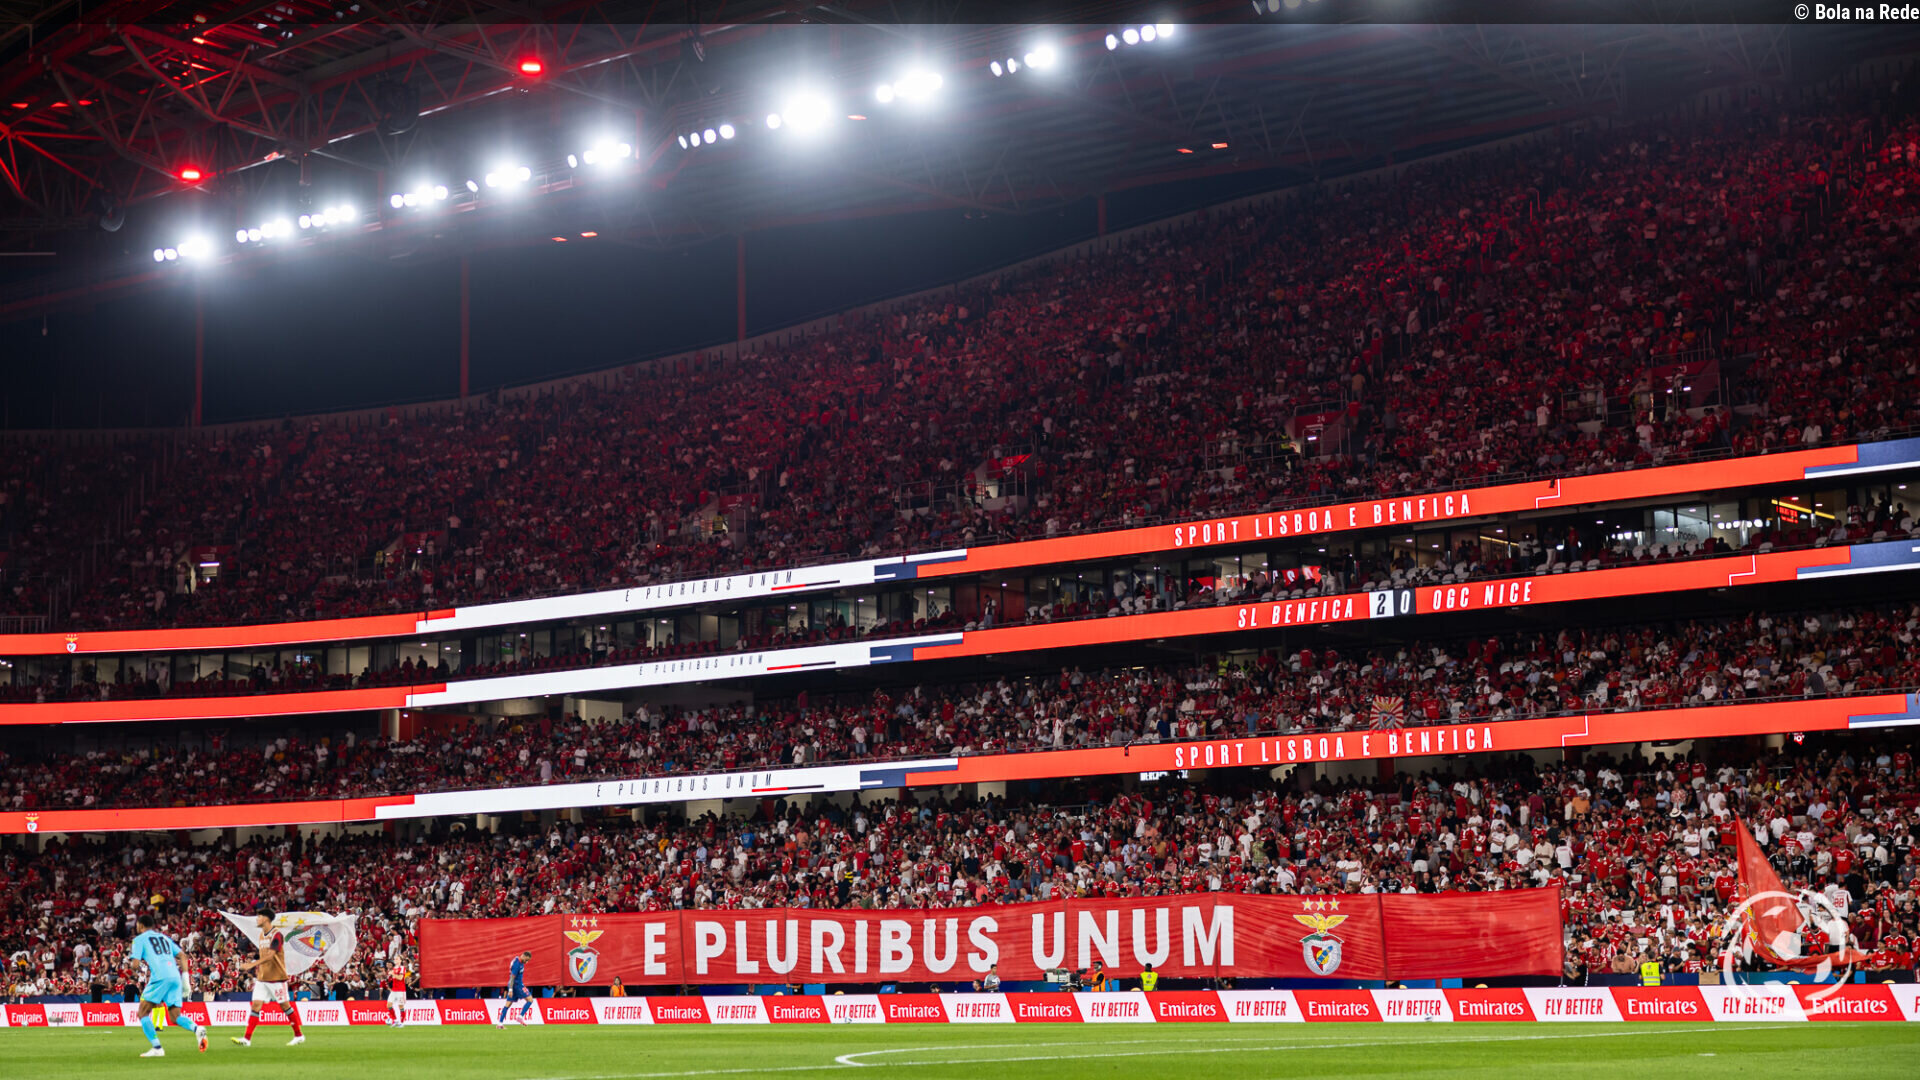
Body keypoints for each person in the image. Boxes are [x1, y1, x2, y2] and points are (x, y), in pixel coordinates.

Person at [128, 913, 207, 1058]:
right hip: (175, 976)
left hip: (159, 976)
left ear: (140, 925)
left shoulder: (139, 940)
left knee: (143, 1013)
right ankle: (197, 1029)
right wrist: (185, 978)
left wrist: (135, 963)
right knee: (175, 1016)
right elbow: (183, 955)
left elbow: (135, 964)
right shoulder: (164, 938)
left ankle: (157, 1048)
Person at [231, 908, 305, 1047]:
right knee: (256, 1006)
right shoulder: (261, 935)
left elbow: (271, 955)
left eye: (259, 916)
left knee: (285, 1006)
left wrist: (251, 964)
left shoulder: (277, 935)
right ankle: (247, 1039)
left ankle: (299, 1035)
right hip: (262, 978)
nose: (257, 919)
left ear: (266, 919)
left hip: (277, 977)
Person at [496, 950, 535, 1027]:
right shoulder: (517, 965)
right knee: (530, 1000)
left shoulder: (517, 959)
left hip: (514, 985)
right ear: (523, 956)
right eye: (526, 960)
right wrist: (510, 990)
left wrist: (511, 988)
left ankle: (500, 1023)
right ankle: (520, 1017)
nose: (526, 962)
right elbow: (512, 977)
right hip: (517, 985)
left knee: (507, 1004)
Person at [385, 959, 409, 1027]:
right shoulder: (393, 969)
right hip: (394, 990)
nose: (396, 960)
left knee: (401, 1006)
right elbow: (392, 979)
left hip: (401, 990)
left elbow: (400, 978)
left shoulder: (402, 968)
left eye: (397, 959)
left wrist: (393, 974)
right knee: (388, 1005)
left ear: (400, 961)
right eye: (395, 959)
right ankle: (395, 1020)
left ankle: (402, 1022)